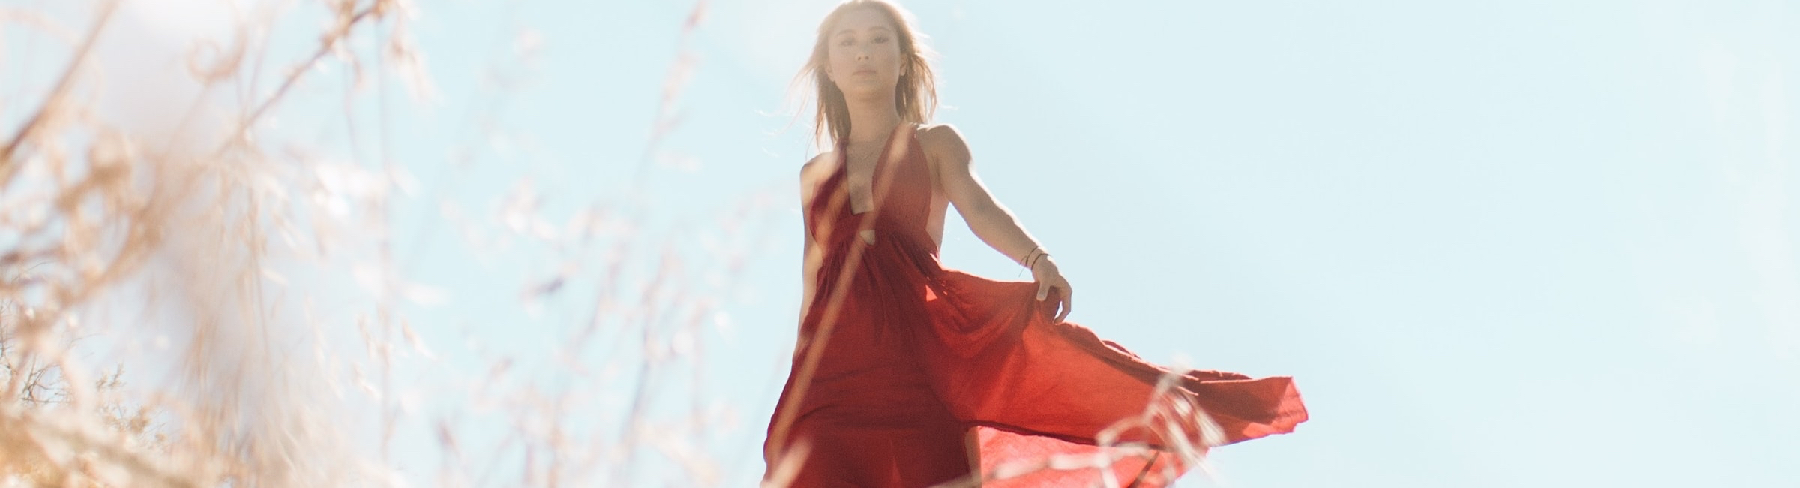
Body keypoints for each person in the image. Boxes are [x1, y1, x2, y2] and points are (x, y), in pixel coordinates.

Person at [762, 2, 1308, 486]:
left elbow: (978, 208)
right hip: (832, 370)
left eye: (880, 39)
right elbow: (814, 282)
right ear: (828, 67)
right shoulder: (815, 175)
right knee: (811, 466)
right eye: (848, 42)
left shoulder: (934, 145)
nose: (864, 52)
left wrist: (1036, 259)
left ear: (904, 60)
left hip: (917, 356)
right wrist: (795, 381)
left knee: (928, 468)